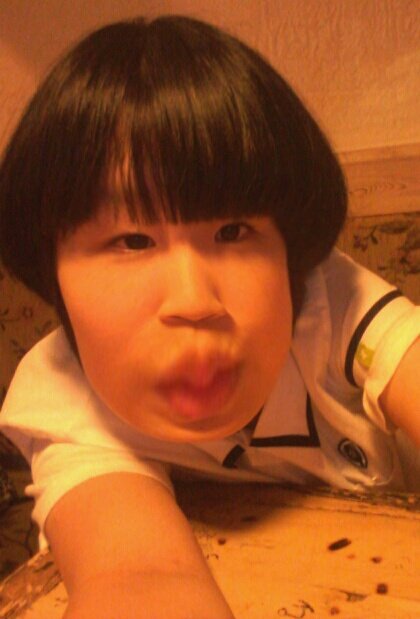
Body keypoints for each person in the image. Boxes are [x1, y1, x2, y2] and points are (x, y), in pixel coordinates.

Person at [0, 15, 418, 619]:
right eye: (133, 241)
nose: (194, 300)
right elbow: (138, 577)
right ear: (52, 270)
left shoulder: (328, 304)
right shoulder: (64, 393)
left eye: (232, 231)